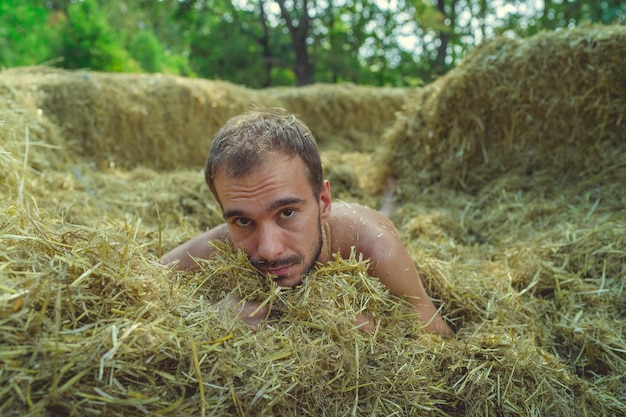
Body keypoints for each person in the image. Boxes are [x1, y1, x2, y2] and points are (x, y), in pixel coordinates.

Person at [161, 108, 453, 336]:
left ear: (323, 202)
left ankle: (390, 197)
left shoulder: (378, 249)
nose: (268, 250)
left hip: (362, 226)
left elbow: (441, 338)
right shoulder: (227, 240)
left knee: (386, 215)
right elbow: (144, 285)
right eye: (242, 220)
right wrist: (207, 318)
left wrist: (378, 334)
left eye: (286, 213)